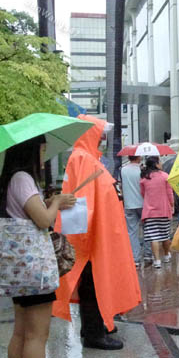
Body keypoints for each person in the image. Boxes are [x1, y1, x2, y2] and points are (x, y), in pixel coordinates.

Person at [53, 114, 141, 350]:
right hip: (92, 238)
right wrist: (84, 240)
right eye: (100, 131)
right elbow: (82, 200)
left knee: (95, 283)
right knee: (92, 284)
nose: (103, 137)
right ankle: (94, 333)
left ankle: (95, 326)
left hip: (95, 236)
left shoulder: (88, 158)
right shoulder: (84, 158)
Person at [0, 135, 77, 358]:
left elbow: (27, 212)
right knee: (37, 336)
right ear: (30, 151)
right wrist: (57, 203)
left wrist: (49, 202)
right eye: (42, 150)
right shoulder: (23, 178)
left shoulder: (11, 178)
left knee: (21, 332)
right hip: (34, 271)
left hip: (19, 269)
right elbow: (43, 220)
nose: (44, 156)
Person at [140, 156, 174, 269]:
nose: (161, 164)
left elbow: (143, 194)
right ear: (156, 164)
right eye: (160, 162)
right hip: (163, 210)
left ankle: (157, 261)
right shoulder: (165, 176)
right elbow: (170, 194)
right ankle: (166, 255)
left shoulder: (144, 179)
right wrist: (172, 205)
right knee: (165, 235)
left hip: (150, 212)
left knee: (154, 237)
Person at [121, 155, 147, 269]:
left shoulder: (123, 170)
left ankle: (135, 259)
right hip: (142, 203)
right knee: (147, 229)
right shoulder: (142, 170)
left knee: (132, 231)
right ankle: (148, 255)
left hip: (129, 204)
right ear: (138, 157)